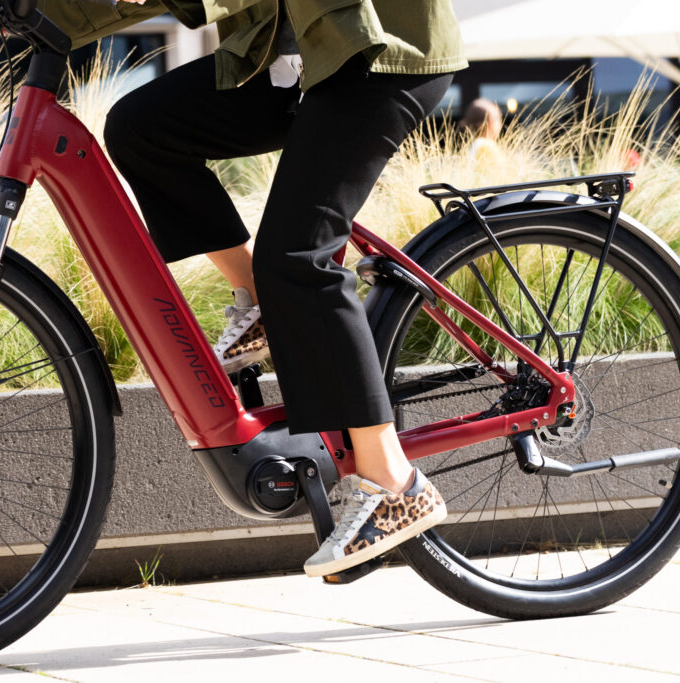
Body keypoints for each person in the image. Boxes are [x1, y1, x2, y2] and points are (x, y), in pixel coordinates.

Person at [42, 0, 468, 577]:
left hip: (380, 49)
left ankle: (394, 482)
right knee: (142, 129)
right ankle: (265, 300)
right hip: (291, 56)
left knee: (296, 257)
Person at [460, 97, 504, 165]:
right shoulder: (486, 145)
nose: (500, 125)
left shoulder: (475, 144)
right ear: (490, 122)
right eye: (498, 119)